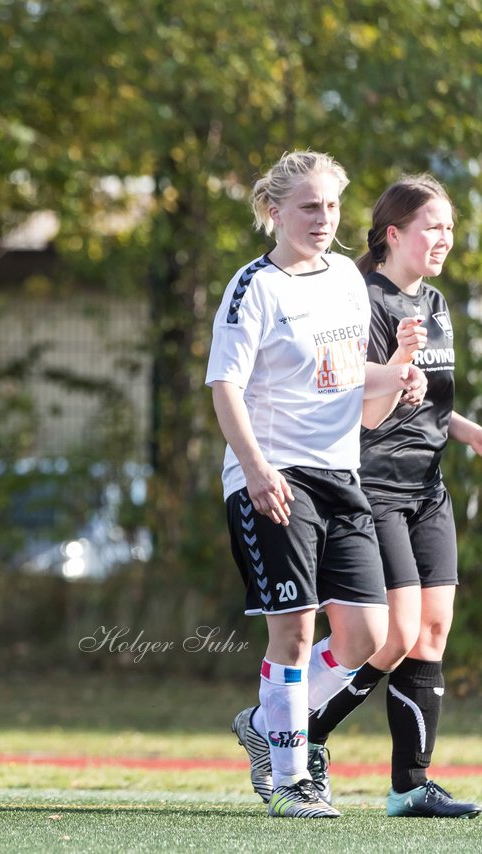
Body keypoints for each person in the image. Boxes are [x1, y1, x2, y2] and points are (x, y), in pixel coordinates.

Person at [206, 150, 427, 818]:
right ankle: (294, 777)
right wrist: (255, 468)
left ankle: (267, 725)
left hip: (341, 475)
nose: (323, 219)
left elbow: (349, 381)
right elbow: (224, 385)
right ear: (273, 211)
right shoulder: (255, 286)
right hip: (274, 476)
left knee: (368, 636)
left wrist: (399, 375)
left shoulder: (345, 280)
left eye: (331, 206)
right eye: (308, 206)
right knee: (295, 634)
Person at [302, 175, 481, 818]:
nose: (445, 239)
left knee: (431, 632)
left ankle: (409, 785)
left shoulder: (434, 303)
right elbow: (366, 415)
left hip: (427, 485)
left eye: (450, 228)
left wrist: (470, 433)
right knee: (396, 633)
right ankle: (298, 734)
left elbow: (428, 408)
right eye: (433, 227)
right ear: (393, 233)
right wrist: (395, 372)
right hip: (370, 483)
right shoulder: (362, 300)